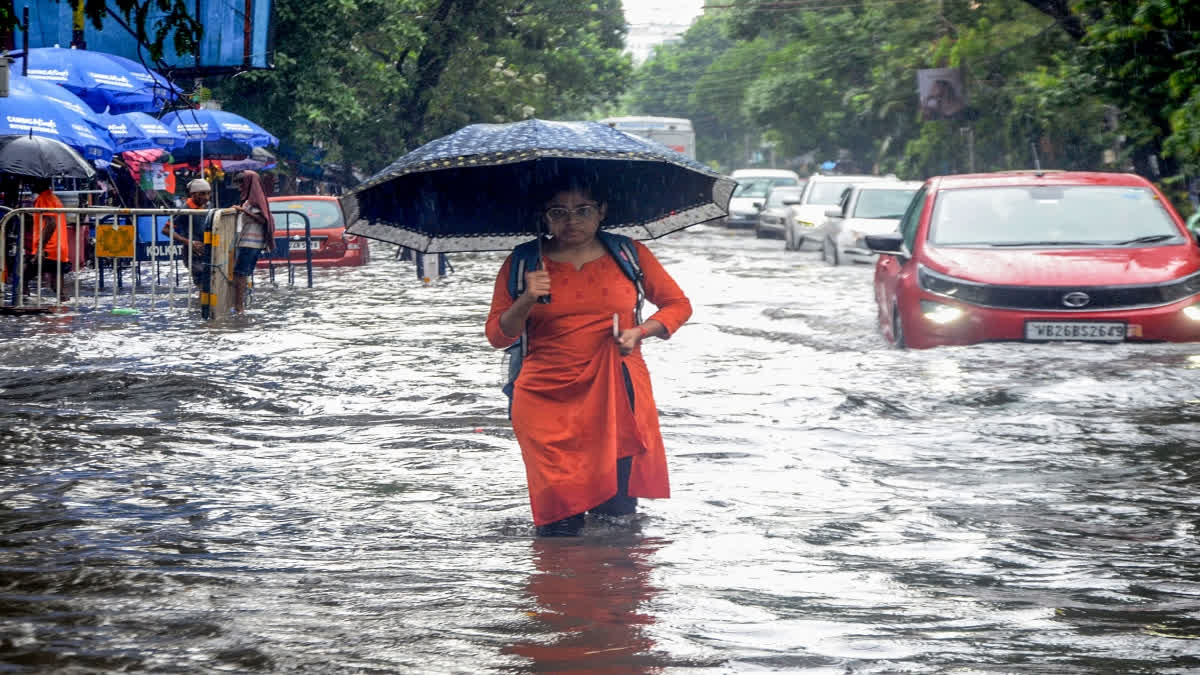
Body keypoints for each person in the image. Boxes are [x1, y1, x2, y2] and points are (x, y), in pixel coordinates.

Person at [485, 176, 693, 537]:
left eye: (583, 210)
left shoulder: (628, 254)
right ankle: (558, 591)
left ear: (602, 212)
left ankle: (613, 591)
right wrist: (527, 298)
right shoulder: (523, 262)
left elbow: (678, 305)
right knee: (556, 523)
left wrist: (639, 332)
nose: (571, 221)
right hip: (545, 402)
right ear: (545, 218)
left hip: (617, 394)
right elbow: (498, 336)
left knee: (616, 522)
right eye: (558, 212)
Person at [230, 170, 274, 313]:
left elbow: (263, 219)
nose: (239, 188)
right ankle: (239, 305)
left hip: (251, 242)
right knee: (241, 273)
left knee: (240, 274)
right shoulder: (252, 199)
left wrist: (243, 211)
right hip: (250, 242)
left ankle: (239, 307)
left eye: (241, 184)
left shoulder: (255, 201)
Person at [26, 178, 71, 301]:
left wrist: (40, 247)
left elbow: (51, 223)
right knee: (57, 288)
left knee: (22, 278)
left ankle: (23, 303)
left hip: (48, 249)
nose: (31, 186)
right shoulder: (53, 198)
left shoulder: (44, 199)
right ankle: (63, 309)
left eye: (33, 183)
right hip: (58, 248)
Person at [162, 178, 212, 286]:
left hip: (207, 251)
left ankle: (202, 303)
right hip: (192, 253)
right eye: (202, 194)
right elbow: (165, 230)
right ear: (192, 194)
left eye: (208, 193)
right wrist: (188, 242)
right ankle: (201, 303)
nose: (206, 197)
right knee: (202, 282)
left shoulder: (207, 206)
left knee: (211, 283)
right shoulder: (185, 209)